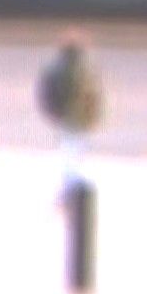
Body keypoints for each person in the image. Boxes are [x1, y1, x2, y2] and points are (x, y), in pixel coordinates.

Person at [37, 33, 103, 197]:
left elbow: (47, 93)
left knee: (70, 151)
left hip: (68, 118)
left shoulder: (58, 69)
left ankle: (69, 188)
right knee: (75, 151)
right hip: (77, 118)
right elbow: (93, 95)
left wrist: (54, 113)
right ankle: (70, 189)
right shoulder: (83, 69)